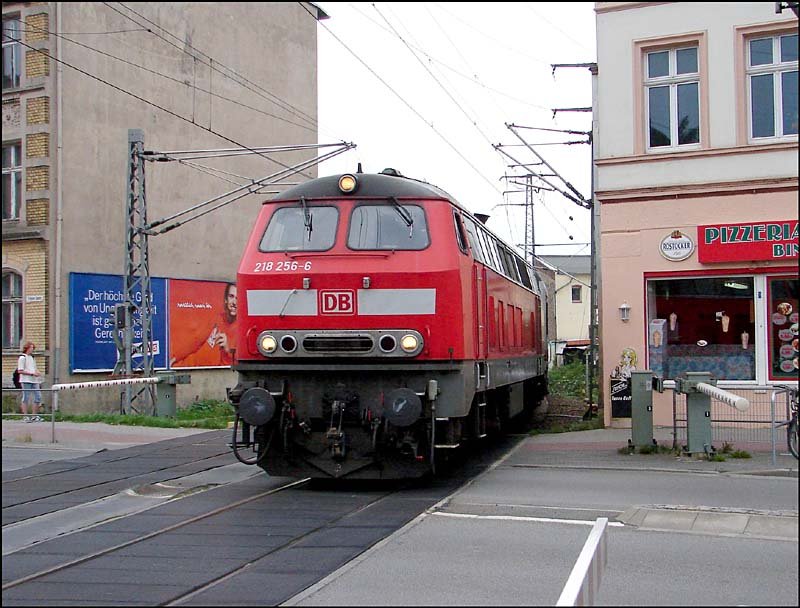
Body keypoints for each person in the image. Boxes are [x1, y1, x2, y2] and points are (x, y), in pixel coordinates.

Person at [171, 283, 237, 367]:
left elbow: (249, 363)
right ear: (225, 300)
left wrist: (229, 349)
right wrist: (175, 358)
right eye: (231, 296)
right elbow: (197, 341)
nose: (234, 302)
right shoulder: (218, 318)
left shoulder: (245, 327)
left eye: (238, 298)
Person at [17, 341, 43, 422]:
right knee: (26, 397)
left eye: (33, 348)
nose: (32, 349)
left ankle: (34, 415)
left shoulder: (32, 358)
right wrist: (32, 373)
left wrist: (37, 372)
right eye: (31, 348)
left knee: (38, 397)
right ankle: (25, 416)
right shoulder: (22, 358)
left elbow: (34, 368)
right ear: (27, 348)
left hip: (34, 380)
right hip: (26, 380)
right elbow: (20, 370)